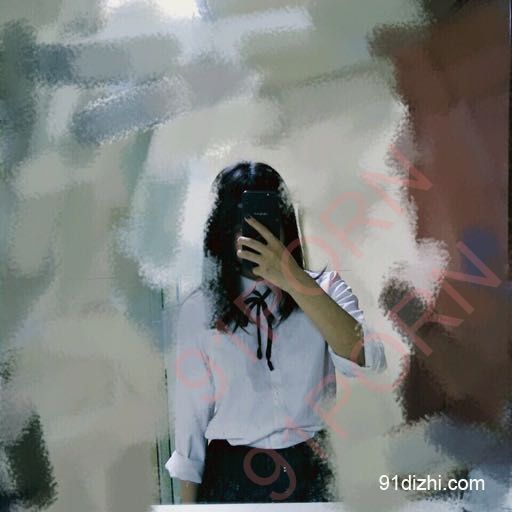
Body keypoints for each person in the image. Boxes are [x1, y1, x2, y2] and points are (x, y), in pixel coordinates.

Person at [165, 161, 386, 503]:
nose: (257, 235)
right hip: (231, 475)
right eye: (244, 224)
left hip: (313, 467)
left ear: (284, 225)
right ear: (224, 230)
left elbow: (367, 360)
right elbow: (189, 428)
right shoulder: (200, 309)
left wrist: (292, 279)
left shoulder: (325, 289)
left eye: (267, 223)